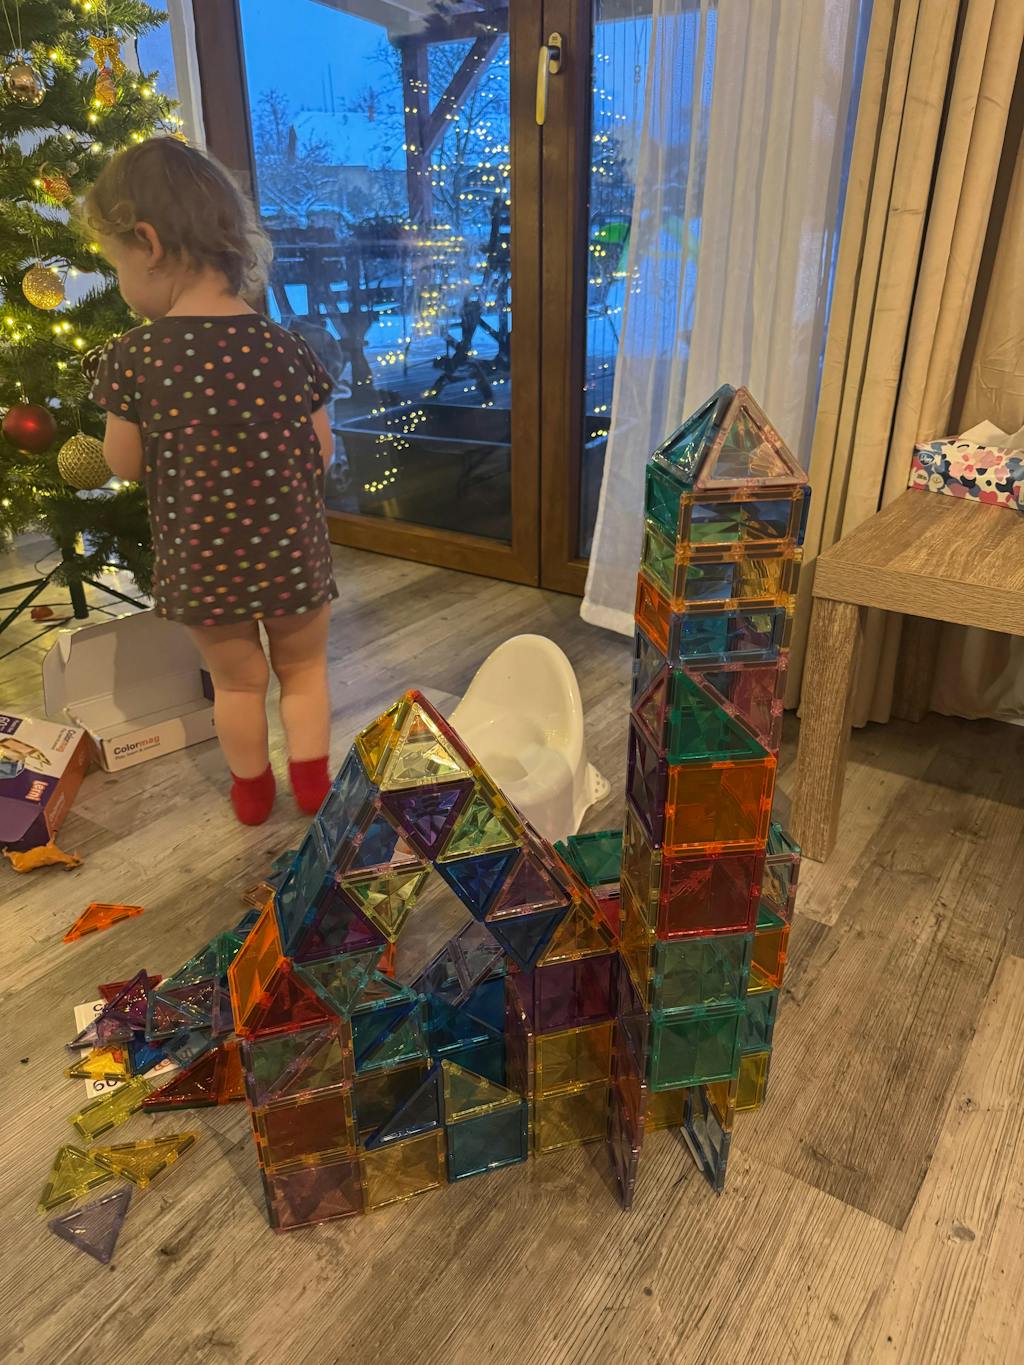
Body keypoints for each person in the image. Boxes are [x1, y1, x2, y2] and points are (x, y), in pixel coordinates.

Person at [83, 137, 337, 826]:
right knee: (304, 671)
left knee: (237, 683)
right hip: (292, 552)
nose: (121, 281)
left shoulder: (135, 357)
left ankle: (251, 793)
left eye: (115, 264)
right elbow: (321, 451)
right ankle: (313, 787)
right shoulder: (287, 347)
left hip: (204, 562)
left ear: (148, 243)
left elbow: (124, 463)